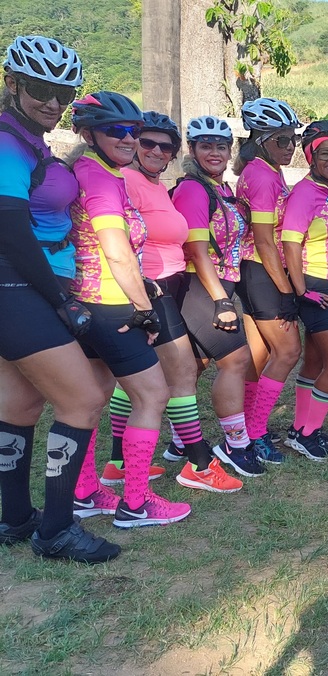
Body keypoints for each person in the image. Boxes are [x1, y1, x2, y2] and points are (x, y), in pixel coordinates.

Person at [0, 36, 118, 561]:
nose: (53, 102)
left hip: (18, 288)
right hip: (18, 287)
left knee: (20, 404)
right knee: (83, 400)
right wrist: (60, 300)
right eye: (40, 89)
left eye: (63, 94)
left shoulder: (29, 141)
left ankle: (14, 517)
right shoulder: (7, 141)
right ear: (12, 84)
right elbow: (10, 228)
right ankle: (56, 531)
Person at [68, 91, 190, 528]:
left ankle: (85, 492)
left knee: (95, 398)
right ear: (88, 134)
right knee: (152, 396)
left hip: (90, 302)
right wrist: (144, 308)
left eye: (132, 131)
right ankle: (136, 503)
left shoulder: (97, 171)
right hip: (112, 305)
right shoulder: (100, 179)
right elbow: (117, 251)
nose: (127, 138)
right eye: (114, 130)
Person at [120, 111, 241, 492]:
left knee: (135, 377)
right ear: (134, 143)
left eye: (165, 146)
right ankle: (199, 465)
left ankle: (117, 463)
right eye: (148, 143)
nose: (157, 151)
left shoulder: (156, 183)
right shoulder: (128, 181)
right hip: (150, 288)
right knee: (182, 373)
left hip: (168, 284)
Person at [172, 115, 262, 476]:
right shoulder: (194, 190)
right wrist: (222, 301)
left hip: (219, 283)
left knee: (194, 365)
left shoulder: (221, 188)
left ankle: (180, 441)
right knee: (236, 360)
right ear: (192, 149)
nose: (214, 152)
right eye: (205, 146)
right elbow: (197, 251)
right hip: (199, 284)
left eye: (221, 146)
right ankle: (236, 445)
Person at [234, 97, 304, 461]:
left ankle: (246, 428)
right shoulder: (262, 176)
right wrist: (287, 290)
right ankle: (257, 430)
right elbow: (263, 240)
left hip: (256, 269)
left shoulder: (267, 168)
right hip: (262, 270)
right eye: (282, 139)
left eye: (293, 139)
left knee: (259, 356)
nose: (291, 146)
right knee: (288, 351)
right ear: (261, 140)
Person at [281, 120, 328, 461]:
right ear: (311, 157)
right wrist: (301, 291)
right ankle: (308, 433)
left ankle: (300, 427)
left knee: (315, 362)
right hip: (315, 286)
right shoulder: (305, 193)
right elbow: (290, 243)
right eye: (326, 154)